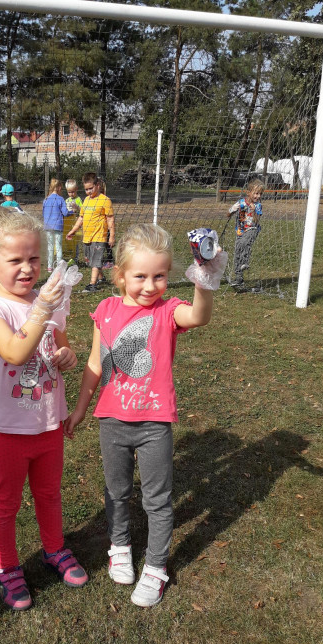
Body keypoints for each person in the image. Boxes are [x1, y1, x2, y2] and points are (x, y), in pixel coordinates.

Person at [64, 224, 227, 607]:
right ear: (120, 275)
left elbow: (199, 316)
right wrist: (80, 409)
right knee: (117, 491)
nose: (151, 285)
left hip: (155, 424)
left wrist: (205, 280)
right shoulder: (105, 309)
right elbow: (94, 363)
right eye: (140, 276)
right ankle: (119, 546)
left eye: (160, 275)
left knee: (157, 498)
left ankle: (155, 567)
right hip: (112, 422)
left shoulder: (170, 311)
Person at [0, 206, 88, 611]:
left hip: (48, 423)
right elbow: (16, 352)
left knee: (49, 494)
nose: (27, 268)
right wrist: (42, 309)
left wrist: (68, 354)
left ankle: (54, 549)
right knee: (6, 502)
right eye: (15, 260)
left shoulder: (49, 300)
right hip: (7, 429)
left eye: (34, 258)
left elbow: (60, 342)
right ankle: (7, 568)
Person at [66, 171, 115, 293]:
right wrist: (73, 230)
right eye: (86, 189)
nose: (88, 192)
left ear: (97, 185)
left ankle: (92, 285)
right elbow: (81, 218)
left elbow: (110, 218)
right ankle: (101, 277)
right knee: (90, 260)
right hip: (87, 236)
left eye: (91, 188)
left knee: (96, 260)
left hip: (99, 236)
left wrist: (112, 235)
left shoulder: (105, 200)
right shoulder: (86, 201)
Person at [227, 178, 264, 289]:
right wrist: (232, 209)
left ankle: (245, 261)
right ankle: (239, 279)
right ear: (249, 192)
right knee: (237, 252)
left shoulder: (258, 205)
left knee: (244, 243)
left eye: (260, 194)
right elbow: (228, 215)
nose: (258, 196)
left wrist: (253, 211)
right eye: (256, 193)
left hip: (252, 229)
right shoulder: (241, 202)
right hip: (240, 230)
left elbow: (257, 220)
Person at [43, 178, 71, 273]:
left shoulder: (46, 199)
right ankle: (59, 266)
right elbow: (65, 213)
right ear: (59, 187)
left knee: (50, 247)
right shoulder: (60, 199)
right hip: (58, 226)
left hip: (48, 226)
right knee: (58, 246)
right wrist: (73, 211)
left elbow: (44, 213)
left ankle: (49, 267)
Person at [64, 179, 83, 265]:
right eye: (69, 192)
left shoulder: (78, 199)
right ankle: (69, 255)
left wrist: (77, 207)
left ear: (77, 189)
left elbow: (82, 211)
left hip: (76, 222)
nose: (71, 194)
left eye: (73, 192)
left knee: (75, 241)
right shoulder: (67, 200)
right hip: (68, 223)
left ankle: (75, 258)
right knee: (69, 240)